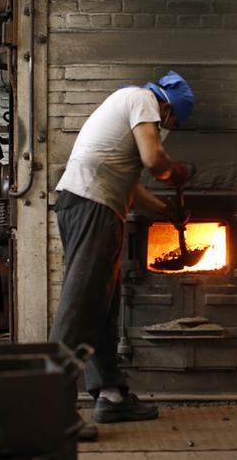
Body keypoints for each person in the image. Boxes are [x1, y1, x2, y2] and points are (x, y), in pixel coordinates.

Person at [51, 71, 196, 425]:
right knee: (80, 307)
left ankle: (111, 395)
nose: (166, 128)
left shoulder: (125, 110)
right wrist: (176, 173)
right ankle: (48, 409)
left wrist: (167, 210)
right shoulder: (141, 99)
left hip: (92, 204)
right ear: (167, 107)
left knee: (101, 306)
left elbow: (130, 188)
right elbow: (155, 161)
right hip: (93, 207)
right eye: (172, 122)